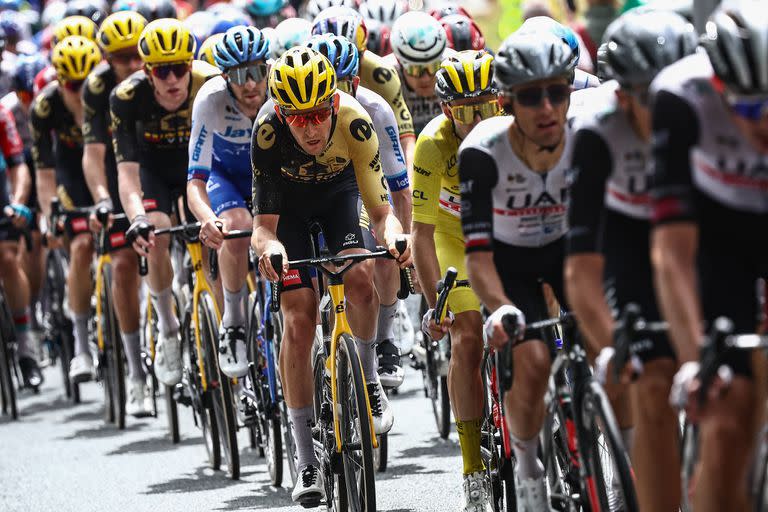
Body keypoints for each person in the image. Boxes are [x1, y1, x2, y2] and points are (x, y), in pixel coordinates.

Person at [250, 46, 411, 503]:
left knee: (360, 277)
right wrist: (273, 247)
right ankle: (304, 459)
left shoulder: (356, 121)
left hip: (341, 196)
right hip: (290, 212)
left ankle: (367, 379)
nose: (312, 126)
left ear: (334, 103)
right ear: (281, 112)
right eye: (298, 118)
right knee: (298, 319)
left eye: (320, 113)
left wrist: (397, 236)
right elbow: (263, 229)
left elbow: (382, 213)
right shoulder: (267, 132)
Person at [564, 9, 697, 511]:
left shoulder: (712, 111)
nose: (663, 105)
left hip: (703, 239)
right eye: (645, 94)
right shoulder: (594, 131)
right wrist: (613, 344)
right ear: (619, 94)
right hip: (626, 245)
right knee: (653, 381)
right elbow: (581, 265)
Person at [650, 2, 768, 510]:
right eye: (748, 108)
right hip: (720, 231)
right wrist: (697, 359)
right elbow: (672, 253)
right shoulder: (680, 97)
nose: (762, 123)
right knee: (727, 409)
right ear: (720, 88)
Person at [458, 31, 577, 510]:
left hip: (573, 253)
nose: (547, 107)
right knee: (531, 360)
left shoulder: (587, 135)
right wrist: (501, 308)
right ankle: (528, 467)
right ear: (507, 102)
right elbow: (478, 259)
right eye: (531, 97)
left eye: (558, 92)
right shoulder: (482, 153)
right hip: (511, 263)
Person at [413, 50, 500, 512]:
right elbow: (421, 236)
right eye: (468, 111)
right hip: (455, 238)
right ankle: (472, 471)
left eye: (489, 105)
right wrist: (435, 305)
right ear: (448, 111)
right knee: (467, 337)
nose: (481, 118)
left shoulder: (515, 124)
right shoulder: (432, 144)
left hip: (506, 231)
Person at [112, 18, 219, 387]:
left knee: (215, 234)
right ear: (147, 71)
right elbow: (126, 173)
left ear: (191, 65)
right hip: (153, 170)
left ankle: (223, 322)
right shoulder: (126, 98)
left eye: (180, 68)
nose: (173, 79)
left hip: (201, 166)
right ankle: (168, 329)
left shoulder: (210, 82)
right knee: (155, 231)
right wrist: (136, 217)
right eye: (162, 71)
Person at [304, 33, 411, 387]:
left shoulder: (375, 110)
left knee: (377, 255)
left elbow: (399, 190)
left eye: (341, 85)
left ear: (357, 81)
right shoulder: (304, 116)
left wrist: (401, 251)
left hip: (358, 185)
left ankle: (384, 340)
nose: (333, 96)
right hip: (310, 188)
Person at [187, 25, 271, 378]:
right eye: (239, 75)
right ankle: (234, 323)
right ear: (225, 77)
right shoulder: (209, 101)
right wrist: (208, 218)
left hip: (269, 175)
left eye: (257, 71)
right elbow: (195, 180)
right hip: (226, 177)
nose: (250, 83)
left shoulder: (284, 89)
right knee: (236, 228)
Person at [82, 10, 151, 417]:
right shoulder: (97, 89)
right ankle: (136, 375)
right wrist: (102, 198)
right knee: (124, 263)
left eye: (134, 55)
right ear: (107, 58)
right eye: (120, 57)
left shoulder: (156, 77)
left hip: (157, 162)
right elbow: (93, 155)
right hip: (116, 165)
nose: (130, 64)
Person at [31, 35, 102, 383]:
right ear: (59, 81)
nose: (80, 90)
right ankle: (82, 348)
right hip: (69, 172)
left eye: (87, 82)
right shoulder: (45, 108)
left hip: (105, 169)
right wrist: (50, 217)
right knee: (80, 245)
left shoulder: (106, 93)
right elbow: (43, 174)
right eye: (73, 85)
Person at [0, 94, 39, 387]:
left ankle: (26, 348)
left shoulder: (2, 112)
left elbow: (18, 164)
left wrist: (18, 201)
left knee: (8, 258)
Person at [386, 10, 446, 136]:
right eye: (415, 69)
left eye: (433, 67)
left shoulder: (451, 67)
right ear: (399, 62)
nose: (426, 78)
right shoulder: (386, 74)